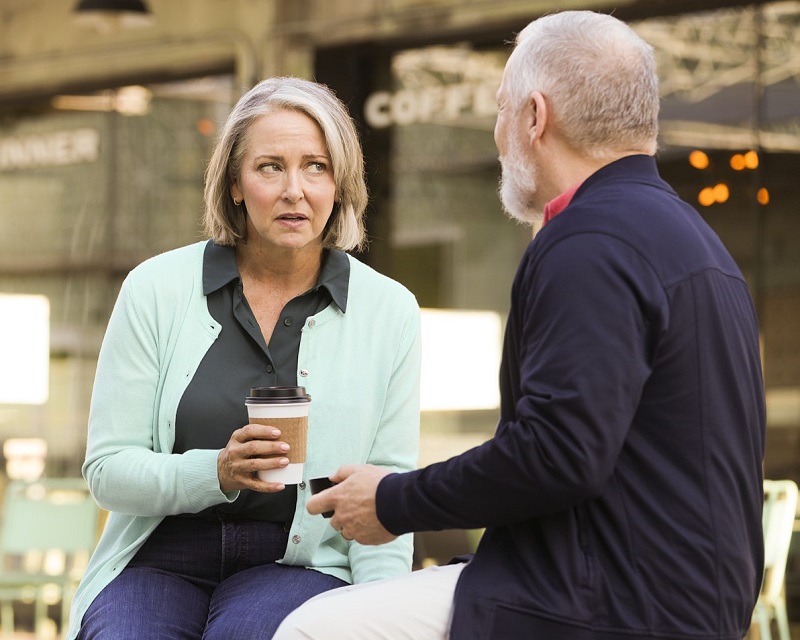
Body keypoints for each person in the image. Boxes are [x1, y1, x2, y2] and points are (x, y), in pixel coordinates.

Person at [274, 10, 766, 640]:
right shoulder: (695, 242)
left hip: (604, 604)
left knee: (309, 630)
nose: (498, 134)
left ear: (535, 116)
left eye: (502, 109)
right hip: (677, 602)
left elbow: (559, 454)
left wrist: (392, 501)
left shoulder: (589, 241)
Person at [67, 76, 421, 639]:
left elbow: (388, 485)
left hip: (298, 563)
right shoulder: (154, 289)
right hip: (161, 556)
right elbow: (108, 471)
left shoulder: (388, 310)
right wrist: (216, 471)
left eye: (316, 167)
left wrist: (385, 612)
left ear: (339, 184)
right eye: (270, 167)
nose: (294, 191)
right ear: (234, 183)